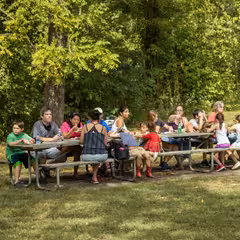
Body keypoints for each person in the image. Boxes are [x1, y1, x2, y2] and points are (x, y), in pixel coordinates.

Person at [110, 107, 154, 177]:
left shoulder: (121, 120)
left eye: (128, 112)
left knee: (146, 154)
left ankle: (147, 171)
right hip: (121, 144)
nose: (128, 113)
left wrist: (132, 133)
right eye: (126, 112)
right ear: (121, 113)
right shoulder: (120, 120)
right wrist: (132, 134)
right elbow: (121, 133)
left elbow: (124, 132)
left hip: (126, 141)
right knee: (140, 152)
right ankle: (140, 170)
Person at [32, 107, 67, 177]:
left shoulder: (54, 124)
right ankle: (39, 175)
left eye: (50, 114)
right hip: (40, 149)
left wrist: (60, 137)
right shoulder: (37, 124)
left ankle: (46, 167)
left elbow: (59, 134)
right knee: (40, 155)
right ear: (42, 116)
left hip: (51, 149)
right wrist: (51, 139)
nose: (49, 116)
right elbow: (36, 138)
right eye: (47, 114)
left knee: (63, 157)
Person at [80, 109, 108, 184]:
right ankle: (94, 176)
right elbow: (105, 143)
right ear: (99, 117)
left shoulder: (85, 127)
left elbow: (81, 141)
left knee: (93, 157)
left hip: (87, 155)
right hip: (101, 155)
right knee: (96, 158)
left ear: (90, 118)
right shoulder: (103, 128)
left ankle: (94, 176)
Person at [6, 120, 35, 186]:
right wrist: (21, 140)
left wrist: (32, 140)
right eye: (14, 128)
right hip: (12, 154)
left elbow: (31, 139)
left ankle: (39, 178)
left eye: (17, 128)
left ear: (22, 129)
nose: (15, 130)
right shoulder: (10, 136)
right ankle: (17, 181)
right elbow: (10, 144)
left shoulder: (24, 135)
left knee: (34, 160)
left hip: (22, 153)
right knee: (18, 162)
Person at [60, 112, 83, 176]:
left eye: (78, 120)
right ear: (70, 119)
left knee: (77, 151)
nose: (76, 121)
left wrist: (82, 132)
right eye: (74, 119)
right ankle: (55, 162)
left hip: (76, 145)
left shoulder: (81, 125)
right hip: (66, 146)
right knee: (77, 149)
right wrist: (72, 130)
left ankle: (75, 172)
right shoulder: (65, 124)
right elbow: (65, 136)